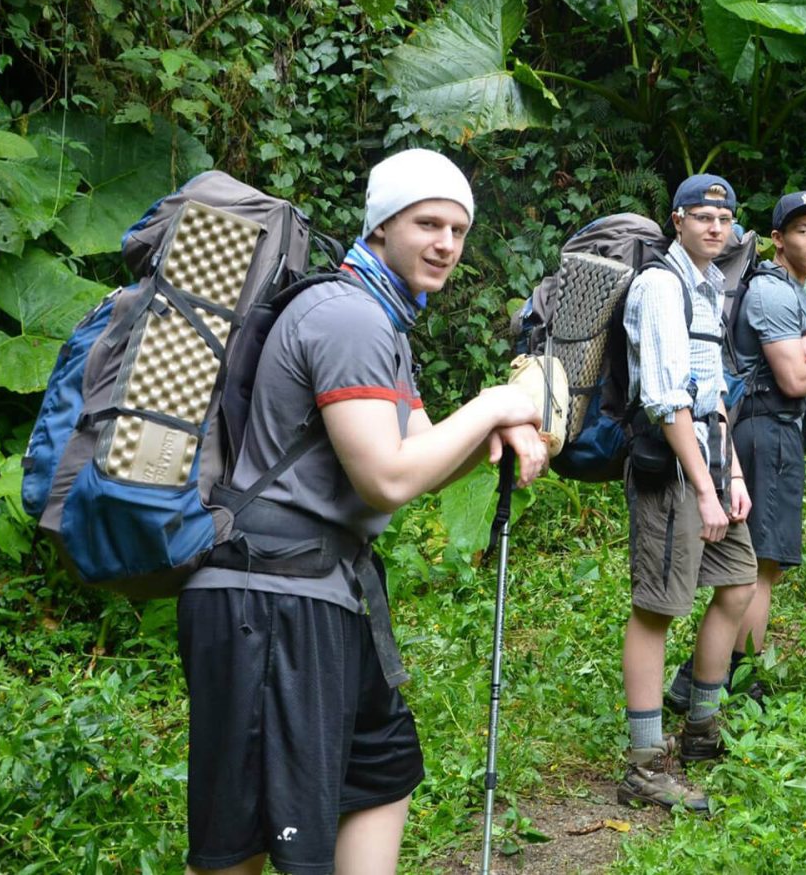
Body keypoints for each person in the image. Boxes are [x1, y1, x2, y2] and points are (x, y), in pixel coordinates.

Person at [177, 148, 549, 875]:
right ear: (381, 225)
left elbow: (422, 456)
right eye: (427, 223)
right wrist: (495, 404)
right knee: (242, 844)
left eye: (458, 229)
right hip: (268, 598)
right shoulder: (349, 319)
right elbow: (385, 477)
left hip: (324, 592)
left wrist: (500, 426)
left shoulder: (379, 319)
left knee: (381, 771)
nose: (446, 243)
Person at [665, 191, 806, 711]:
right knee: (759, 567)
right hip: (765, 432)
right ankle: (735, 682)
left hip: (771, 431)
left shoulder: (789, 290)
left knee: (760, 567)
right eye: (802, 231)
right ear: (777, 239)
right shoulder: (772, 293)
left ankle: (702, 677)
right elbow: (794, 380)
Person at [618, 174, 757, 813]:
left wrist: (733, 477)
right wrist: (704, 487)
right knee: (658, 607)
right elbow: (666, 399)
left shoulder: (709, 286)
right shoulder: (659, 286)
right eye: (702, 217)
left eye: (724, 219)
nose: (715, 227)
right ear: (677, 220)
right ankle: (644, 765)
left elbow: (713, 392)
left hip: (710, 464)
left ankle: (702, 727)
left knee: (738, 583)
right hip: (672, 470)